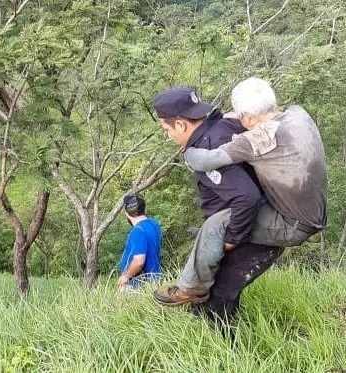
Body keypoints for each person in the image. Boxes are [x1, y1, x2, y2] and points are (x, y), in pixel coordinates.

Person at [155, 78, 328, 306]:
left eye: (167, 129)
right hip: (310, 211)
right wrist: (236, 116)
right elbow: (241, 121)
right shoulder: (298, 115)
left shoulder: (255, 140)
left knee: (214, 227)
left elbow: (210, 163)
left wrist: (231, 239)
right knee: (214, 229)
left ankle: (190, 289)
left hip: (292, 222)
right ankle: (209, 246)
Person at [151, 87, 269, 306]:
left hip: (250, 220)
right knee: (219, 290)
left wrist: (232, 239)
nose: (169, 136)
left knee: (219, 295)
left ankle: (217, 335)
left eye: (166, 130)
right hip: (256, 211)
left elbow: (247, 197)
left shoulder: (208, 146)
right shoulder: (221, 125)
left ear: (180, 124)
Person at [117, 194, 162, 293]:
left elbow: (139, 262)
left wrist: (126, 276)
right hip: (154, 281)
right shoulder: (154, 225)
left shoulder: (138, 231)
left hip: (137, 285)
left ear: (127, 214)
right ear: (144, 209)